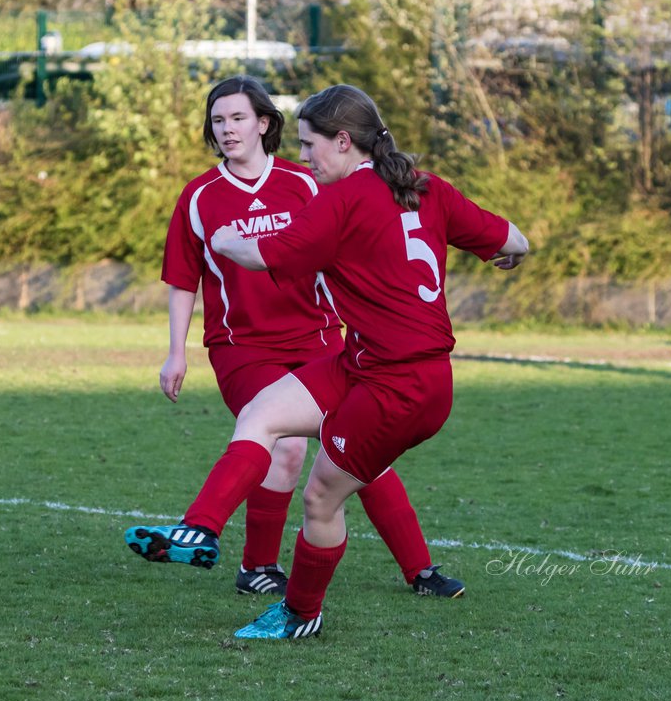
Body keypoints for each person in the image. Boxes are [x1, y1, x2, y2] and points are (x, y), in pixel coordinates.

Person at [160, 83, 528, 639]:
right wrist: (506, 254)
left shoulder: (340, 200)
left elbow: (258, 254)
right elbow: (517, 240)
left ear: (342, 141)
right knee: (261, 415)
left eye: (309, 145)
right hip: (364, 362)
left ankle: (300, 614)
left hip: (400, 386)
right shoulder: (427, 188)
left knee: (321, 497)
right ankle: (200, 529)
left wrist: (229, 238)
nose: (303, 157)